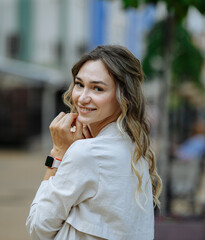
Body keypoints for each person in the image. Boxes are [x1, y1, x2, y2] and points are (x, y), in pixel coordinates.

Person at [26, 45, 162, 240]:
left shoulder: (86, 153)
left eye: (97, 88)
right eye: (79, 84)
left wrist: (58, 153)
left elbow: (38, 227)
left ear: (124, 97)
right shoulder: (135, 149)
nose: (82, 98)